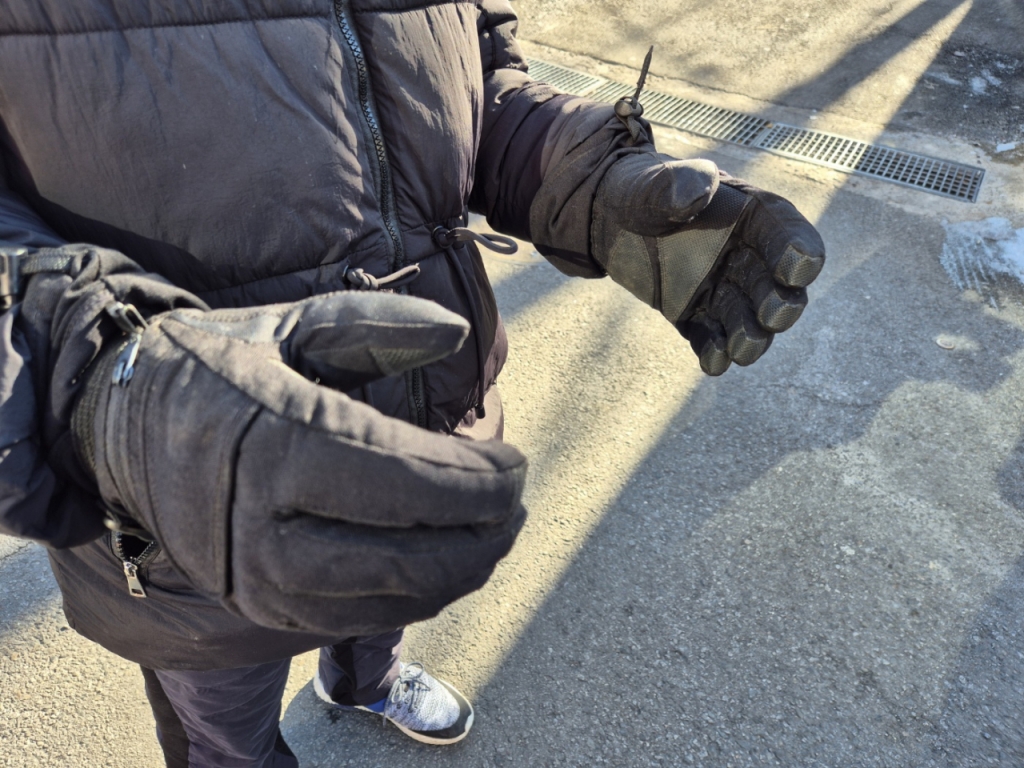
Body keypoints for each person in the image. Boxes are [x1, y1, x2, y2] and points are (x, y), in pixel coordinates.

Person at [0, 1, 824, 766]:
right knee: (228, 734)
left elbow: (470, 83)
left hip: (424, 414)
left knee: (383, 597)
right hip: (184, 497)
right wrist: (95, 378)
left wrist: (588, 183)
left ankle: (363, 680)